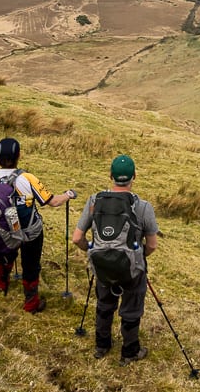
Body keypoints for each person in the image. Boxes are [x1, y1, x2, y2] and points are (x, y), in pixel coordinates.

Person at [72, 154, 159, 365]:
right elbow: (152, 245)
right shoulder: (143, 207)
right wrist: (138, 258)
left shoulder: (94, 201)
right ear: (134, 177)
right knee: (131, 309)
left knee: (104, 304)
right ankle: (129, 352)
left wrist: (93, 251)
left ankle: (102, 346)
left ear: (110, 176)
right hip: (132, 268)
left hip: (102, 267)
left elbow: (77, 238)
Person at [0, 137, 76, 313]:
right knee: (31, 264)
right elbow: (53, 202)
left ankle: (1, 281)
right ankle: (31, 303)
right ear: (18, 156)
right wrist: (69, 194)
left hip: (2, 229)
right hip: (29, 231)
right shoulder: (27, 178)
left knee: (7, 252)